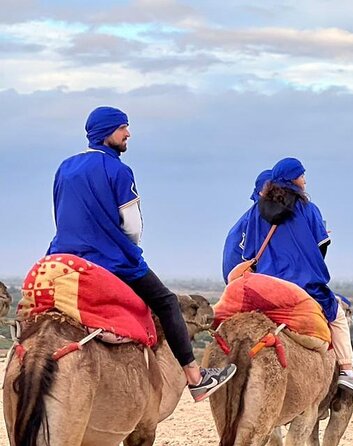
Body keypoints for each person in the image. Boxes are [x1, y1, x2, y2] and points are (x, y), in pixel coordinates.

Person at [47, 106, 237, 402]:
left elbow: (60, 213)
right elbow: (132, 226)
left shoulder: (65, 167)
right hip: (111, 260)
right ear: (107, 132)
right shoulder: (118, 170)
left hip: (64, 260)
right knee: (166, 303)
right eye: (123, 128)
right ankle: (195, 378)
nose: (128, 134)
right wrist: (124, 246)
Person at [241, 157, 353, 396]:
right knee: (336, 315)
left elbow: (249, 254)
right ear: (293, 178)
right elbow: (321, 246)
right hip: (302, 287)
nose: (305, 179)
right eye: (302, 175)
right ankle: (348, 371)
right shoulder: (308, 209)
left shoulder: (256, 212)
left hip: (265, 286)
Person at [222, 169, 272, 283]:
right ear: (261, 192)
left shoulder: (248, 219)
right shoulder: (261, 218)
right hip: (246, 281)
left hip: (235, 281)